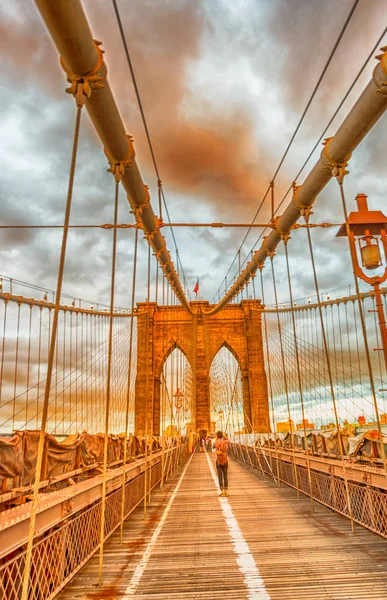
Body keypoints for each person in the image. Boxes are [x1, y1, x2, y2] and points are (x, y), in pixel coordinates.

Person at [213, 431, 229, 497]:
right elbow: (228, 440)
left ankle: (222, 491)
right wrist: (224, 436)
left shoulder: (215, 442)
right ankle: (226, 492)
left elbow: (213, 447)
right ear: (222, 436)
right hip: (225, 460)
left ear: (217, 436)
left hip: (218, 461)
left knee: (220, 476)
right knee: (225, 476)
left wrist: (217, 439)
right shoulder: (225, 442)